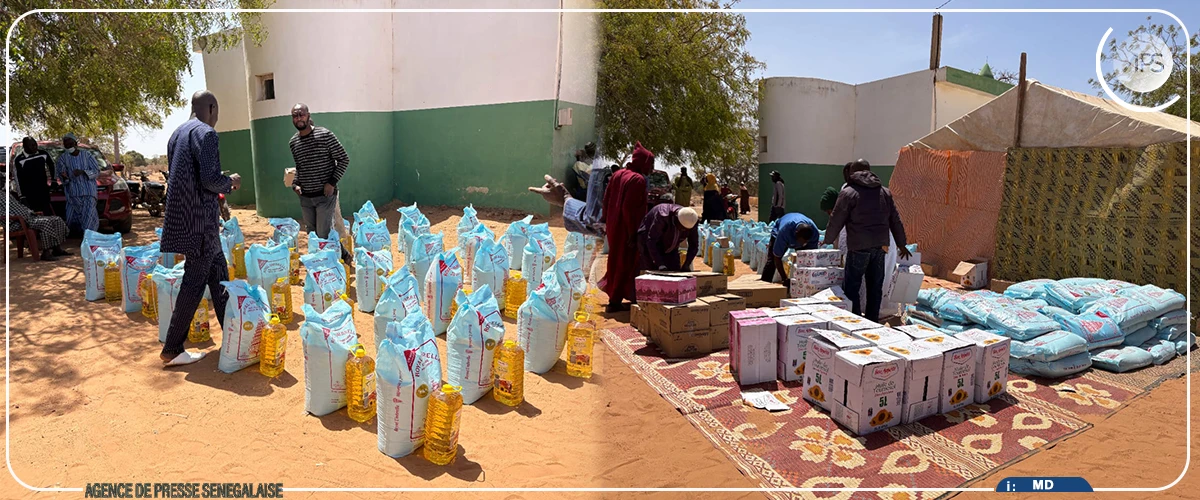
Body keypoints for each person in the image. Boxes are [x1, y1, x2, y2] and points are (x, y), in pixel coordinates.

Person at [160, 90, 241, 367]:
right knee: (194, 282)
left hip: (185, 218)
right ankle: (172, 347)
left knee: (219, 276)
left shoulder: (176, 134)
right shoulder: (206, 133)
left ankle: (234, 333)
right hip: (201, 223)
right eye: (216, 112)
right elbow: (209, 180)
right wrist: (230, 181)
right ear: (212, 107)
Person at [822, 159, 910, 322]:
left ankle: (855, 322)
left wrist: (827, 239)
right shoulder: (884, 192)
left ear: (852, 173)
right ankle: (872, 321)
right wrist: (901, 244)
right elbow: (895, 220)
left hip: (858, 247)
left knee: (852, 285)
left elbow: (836, 219)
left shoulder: (848, 192)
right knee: (875, 286)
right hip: (880, 247)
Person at [288, 103, 352, 264]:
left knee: (322, 233)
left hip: (325, 196)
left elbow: (344, 159)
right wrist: (295, 184)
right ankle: (343, 255)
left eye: (301, 114)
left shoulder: (325, 135)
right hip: (306, 197)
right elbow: (300, 167)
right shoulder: (293, 142)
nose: (299, 118)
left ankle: (327, 266)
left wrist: (331, 182)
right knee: (313, 234)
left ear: (308, 115)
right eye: (295, 116)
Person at [600, 142, 655, 312]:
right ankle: (615, 300)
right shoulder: (637, 180)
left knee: (615, 260)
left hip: (614, 225)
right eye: (650, 164)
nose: (651, 169)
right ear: (643, 162)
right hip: (626, 228)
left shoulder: (618, 174)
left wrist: (606, 222)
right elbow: (629, 209)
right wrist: (633, 233)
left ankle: (617, 295)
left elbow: (606, 200)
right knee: (625, 262)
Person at [4, 190, 71, 261]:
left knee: (57, 219)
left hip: (29, 217)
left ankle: (57, 248)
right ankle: (46, 252)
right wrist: (18, 218)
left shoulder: (7, 194)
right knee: (45, 223)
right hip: (17, 222)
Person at [54, 133, 99, 236]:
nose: (68, 146)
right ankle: (85, 235)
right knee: (76, 216)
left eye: (70, 143)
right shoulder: (63, 158)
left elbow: (96, 171)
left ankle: (87, 237)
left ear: (75, 143)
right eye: (66, 144)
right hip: (73, 192)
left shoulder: (87, 155)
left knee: (88, 214)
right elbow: (62, 175)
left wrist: (83, 172)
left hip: (88, 191)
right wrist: (64, 176)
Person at [761, 212, 820, 284]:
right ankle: (764, 286)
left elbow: (811, 255)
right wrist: (784, 278)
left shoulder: (814, 232)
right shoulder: (785, 232)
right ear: (796, 234)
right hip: (779, 231)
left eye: (805, 242)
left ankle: (802, 285)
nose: (803, 244)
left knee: (806, 260)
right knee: (772, 261)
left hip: (798, 227)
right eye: (801, 241)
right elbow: (777, 257)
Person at [638, 204, 699, 272]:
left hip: (671, 246)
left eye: (686, 230)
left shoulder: (691, 220)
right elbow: (651, 241)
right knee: (652, 271)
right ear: (676, 219)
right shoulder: (662, 216)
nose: (683, 230)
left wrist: (687, 264)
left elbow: (694, 245)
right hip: (648, 243)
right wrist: (659, 263)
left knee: (675, 270)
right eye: (681, 228)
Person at [13, 137, 54, 215]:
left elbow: (51, 165)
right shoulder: (19, 160)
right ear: (25, 147)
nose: (35, 147)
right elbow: (17, 178)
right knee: (34, 216)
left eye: (35, 144)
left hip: (43, 191)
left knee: (47, 214)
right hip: (29, 194)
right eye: (31, 145)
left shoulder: (43, 154)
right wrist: (22, 196)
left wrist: (53, 180)